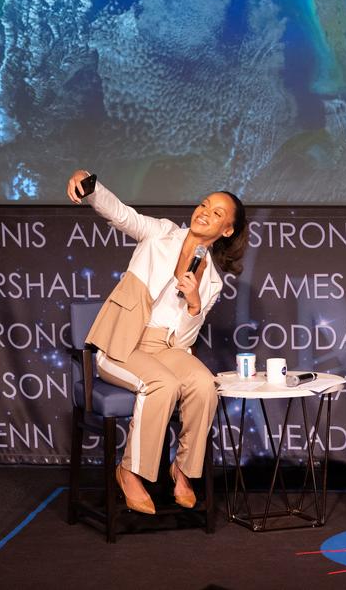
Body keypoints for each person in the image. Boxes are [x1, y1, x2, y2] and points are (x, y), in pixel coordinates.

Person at [66, 168, 247, 515]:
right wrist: (89, 185)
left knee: (204, 384)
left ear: (227, 230)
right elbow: (121, 214)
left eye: (217, 213)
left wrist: (194, 303)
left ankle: (182, 469)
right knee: (161, 384)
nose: (205, 212)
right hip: (122, 341)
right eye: (205, 205)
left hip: (167, 347)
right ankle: (130, 470)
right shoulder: (161, 233)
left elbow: (186, 339)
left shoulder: (213, 282)